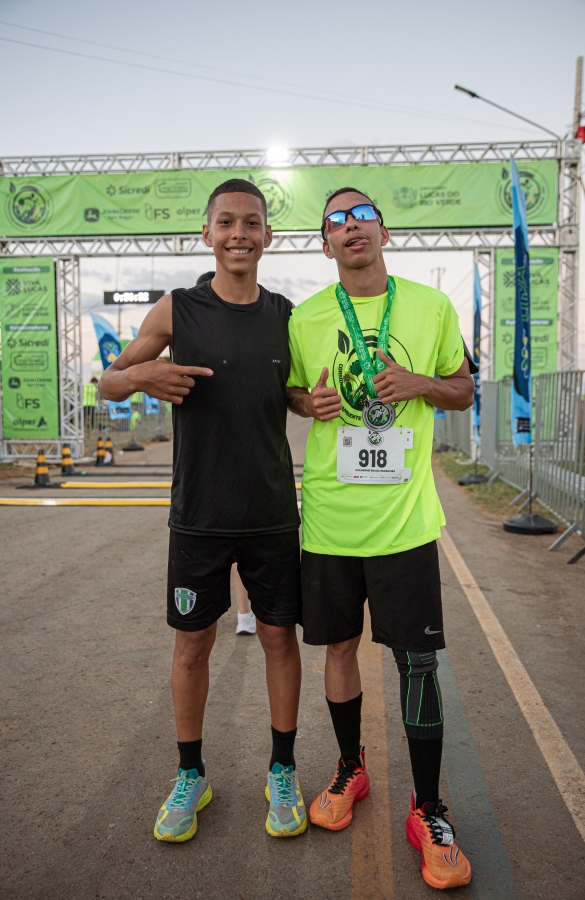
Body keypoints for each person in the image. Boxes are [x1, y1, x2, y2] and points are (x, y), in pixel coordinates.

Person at [99, 179, 306, 842]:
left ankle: (282, 770)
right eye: (226, 222)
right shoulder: (177, 310)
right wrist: (141, 376)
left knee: (279, 638)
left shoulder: (285, 315)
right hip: (199, 513)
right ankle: (191, 774)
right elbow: (108, 382)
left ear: (267, 235)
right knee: (193, 642)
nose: (239, 234)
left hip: (271, 510)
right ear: (207, 234)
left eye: (251, 222)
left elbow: (294, 394)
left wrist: (316, 402)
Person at [286, 188, 474, 889]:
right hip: (331, 520)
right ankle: (350, 768)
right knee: (338, 648)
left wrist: (420, 382)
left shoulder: (430, 306)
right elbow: (292, 393)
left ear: (384, 231)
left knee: (416, 661)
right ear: (325, 245)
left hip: (404, 522)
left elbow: (462, 389)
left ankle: (428, 808)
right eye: (335, 221)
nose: (350, 226)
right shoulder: (305, 318)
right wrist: (308, 401)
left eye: (360, 214)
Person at [196, 271, 256, 637]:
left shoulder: (253, 339)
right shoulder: (193, 344)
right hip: (207, 487)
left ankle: (247, 614)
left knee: (241, 555)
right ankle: (244, 614)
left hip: (251, 479)